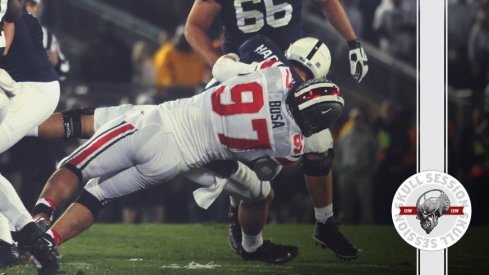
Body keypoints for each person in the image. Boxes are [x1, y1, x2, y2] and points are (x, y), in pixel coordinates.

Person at [30, 35, 358, 260]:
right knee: (99, 193)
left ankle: (37, 214)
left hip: (163, 122)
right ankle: (48, 242)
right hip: (184, 160)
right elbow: (270, 167)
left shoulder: (274, 74)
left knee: (76, 158)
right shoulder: (292, 144)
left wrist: (238, 66)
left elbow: (222, 67)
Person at [186, 0, 364, 257]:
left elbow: (327, 3)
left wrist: (353, 42)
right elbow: (193, 25)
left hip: (288, 74)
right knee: (251, 174)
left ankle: (324, 222)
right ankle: (246, 229)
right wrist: (220, 64)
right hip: (244, 74)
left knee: (320, 142)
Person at [0, 0, 59, 273]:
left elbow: (5, 44)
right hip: (22, 87)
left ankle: (28, 236)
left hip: (29, 90)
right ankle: (6, 243)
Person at [25, 0, 70, 80]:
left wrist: (56, 62)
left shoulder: (48, 37)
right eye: (23, 2)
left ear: (39, 7)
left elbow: (64, 70)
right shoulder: (4, 28)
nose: (26, 8)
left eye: (32, 4)